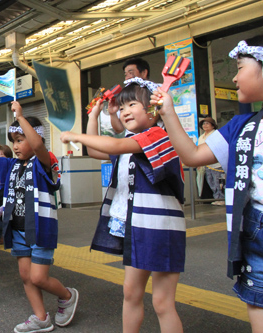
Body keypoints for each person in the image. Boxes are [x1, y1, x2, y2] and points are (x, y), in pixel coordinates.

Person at [153, 34, 263, 333]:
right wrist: (168, 112)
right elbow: (192, 155)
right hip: (256, 233)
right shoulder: (242, 126)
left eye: (241, 67)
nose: (234, 76)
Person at [61, 79, 185, 333]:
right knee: (130, 293)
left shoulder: (158, 135)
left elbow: (115, 145)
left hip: (160, 227)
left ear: (153, 109)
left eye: (132, 104)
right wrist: (94, 116)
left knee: (162, 302)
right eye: (122, 106)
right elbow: (95, 149)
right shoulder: (133, 139)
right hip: (137, 225)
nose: (124, 111)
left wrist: (74, 134)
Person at [0, 101, 79, 333]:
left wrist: (20, 117)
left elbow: (38, 146)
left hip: (40, 228)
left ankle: (67, 296)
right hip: (17, 229)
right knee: (26, 276)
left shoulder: (45, 161)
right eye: (14, 141)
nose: (16, 146)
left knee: (39, 277)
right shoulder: (12, 164)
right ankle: (41, 317)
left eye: (20, 140)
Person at [110, 58, 152, 135]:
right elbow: (119, 129)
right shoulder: (125, 94)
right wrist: (113, 114)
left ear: (144, 72)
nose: (128, 77)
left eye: (131, 73)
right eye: (126, 75)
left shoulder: (158, 90)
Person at [197, 117, 225, 205]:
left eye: (207, 123)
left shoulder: (216, 134)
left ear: (213, 125)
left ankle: (221, 199)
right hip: (206, 164)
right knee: (211, 181)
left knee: (218, 182)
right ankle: (216, 198)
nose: (205, 125)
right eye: (203, 124)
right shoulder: (201, 137)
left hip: (217, 164)